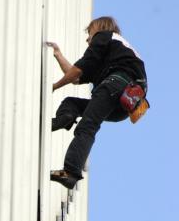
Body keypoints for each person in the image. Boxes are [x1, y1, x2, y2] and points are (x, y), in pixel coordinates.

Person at [45, 16, 148, 190]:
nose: (87, 39)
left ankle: (70, 172)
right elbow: (76, 76)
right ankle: (65, 118)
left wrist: (54, 86)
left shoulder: (105, 36)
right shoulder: (117, 50)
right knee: (72, 104)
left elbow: (79, 68)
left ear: (99, 28)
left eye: (89, 33)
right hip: (125, 106)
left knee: (87, 126)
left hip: (116, 85)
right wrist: (58, 54)